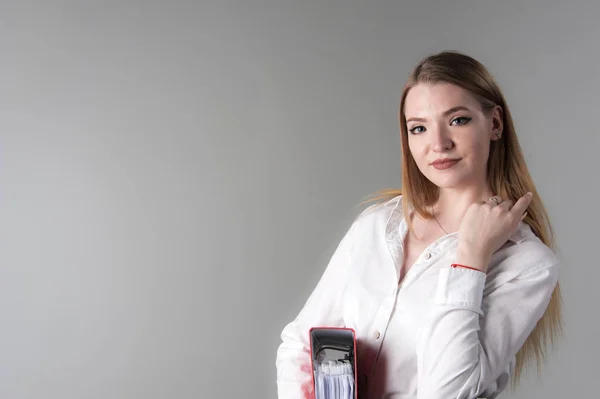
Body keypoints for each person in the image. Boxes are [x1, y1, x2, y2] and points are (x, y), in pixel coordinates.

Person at [275, 50, 562, 399]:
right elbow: (298, 345)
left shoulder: (526, 263)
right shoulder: (377, 225)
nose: (438, 144)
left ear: (495, 124)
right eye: (419, 128)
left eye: (458, 120)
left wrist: (471, 259)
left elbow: (448, 391)